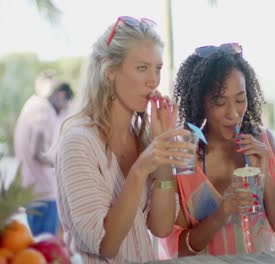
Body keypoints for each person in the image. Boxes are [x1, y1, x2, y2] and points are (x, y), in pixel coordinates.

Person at [55, 16, 196, 263]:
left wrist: (163, 153)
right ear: (110, 71)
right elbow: (105, 244)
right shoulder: (79, 142)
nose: (153, 80)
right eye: (142, 68)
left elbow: (161, 227)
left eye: (158, 68)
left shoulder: (142, 137)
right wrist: (141, 168)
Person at [161, 43, 275, 257]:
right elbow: (179, 249)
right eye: (220, 102)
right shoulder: (184, 156)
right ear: (200, 102)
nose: (233, 113)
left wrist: (265, 177)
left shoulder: (263, 142)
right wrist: (222, 212)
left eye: (240, 99)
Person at [14, 70, 74, 237]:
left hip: (32, 190)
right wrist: (65, 163)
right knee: (45, 246)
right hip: (44, 192)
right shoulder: (43, 109)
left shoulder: (31, 105)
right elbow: (39, 151)